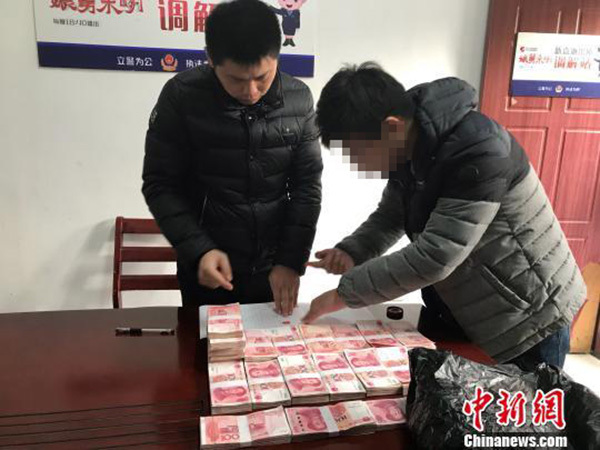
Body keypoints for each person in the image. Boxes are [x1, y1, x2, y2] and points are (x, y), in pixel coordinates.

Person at [303, 62, 586, 371]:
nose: (356, 164)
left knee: (521, 401)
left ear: (392, 126)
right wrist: (353, 250)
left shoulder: (479, 151)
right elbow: (391, 216)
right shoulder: (409, 148)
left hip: (527, 315)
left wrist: (344, 294)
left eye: (356, 153)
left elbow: (436, 256)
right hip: (467, 310)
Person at [142, 0, 322, 315]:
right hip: (209, 268)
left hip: (273, 269)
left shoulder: (299, 99)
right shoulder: (182, 97)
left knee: (273, 345)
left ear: (277, 56)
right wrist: (198, 249)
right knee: (205, 344)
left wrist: (290, 261)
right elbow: (160, 184)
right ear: (211, 59)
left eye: (262, 77)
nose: (251, 91)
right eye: (237, 80)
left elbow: (306, 187)